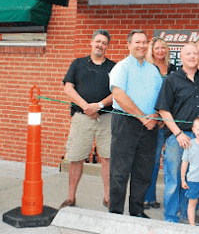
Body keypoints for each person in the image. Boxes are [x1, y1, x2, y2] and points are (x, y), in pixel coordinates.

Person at [108, 30, 163, 218]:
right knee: (120, 171)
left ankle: (137, 211)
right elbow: (119, 95)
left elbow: (160, 97)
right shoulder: (121, 67)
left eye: (144, 42)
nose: (141, 45)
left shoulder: (153, 69)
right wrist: (142, 117)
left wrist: (155, 116)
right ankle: (115, 213)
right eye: (137, 42)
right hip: (126, 122)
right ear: (128, 44)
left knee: (143, 170)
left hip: (150, 126)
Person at [60, 29, 116, 209]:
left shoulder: (113, 67)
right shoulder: (77, 64)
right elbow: (68, 89)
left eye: (104, 43)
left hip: (106, 118)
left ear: (107, 46)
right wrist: (86, 106)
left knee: (107, 158)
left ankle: (108, 197)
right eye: (98, 41)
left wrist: (99, 105)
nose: (100, 45)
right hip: (81, 118)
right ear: (91, 43)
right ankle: (71, 198)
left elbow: (117, 93)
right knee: (76, 158)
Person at [156, 43, 199, 223]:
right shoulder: (172, 79)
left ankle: (186, 212)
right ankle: (171, 216)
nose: (193, 56)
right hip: (177, 136)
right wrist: (178, 134)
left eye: (195, 53)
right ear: (181, 56)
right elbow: (163, 110)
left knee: (193, 178)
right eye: (188, 53)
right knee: (173, 179)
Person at [143, 37, 176, 210]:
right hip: (153, 120)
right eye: (157, 48)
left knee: (166, 161)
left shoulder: (172, 69)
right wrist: (156, 115)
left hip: (168, 121)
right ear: (152, 50)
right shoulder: (148, 68)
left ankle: (153, 197)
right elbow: (149, 94)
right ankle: (147, 197)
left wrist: (165, 117)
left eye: (163, 48)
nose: (161, 51)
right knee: (153, 160)